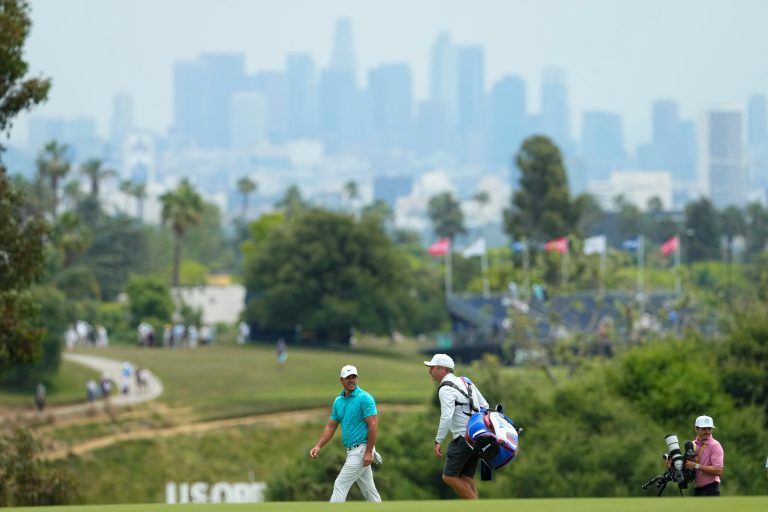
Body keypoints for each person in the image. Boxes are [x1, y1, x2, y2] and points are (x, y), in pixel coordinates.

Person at [309, 365, 382, 503]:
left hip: (361, 451)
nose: (351, 380)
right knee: (370, 492)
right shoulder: (338, 401)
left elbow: (372, 425)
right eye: (348, 378)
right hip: (353, 452)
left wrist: (368, 452)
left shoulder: (365, 398)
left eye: (354, 377)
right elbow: (331, 426)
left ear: (357, 378)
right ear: (341, 380)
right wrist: (318, 446)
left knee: (340, 485)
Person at [425, 353, 489, 500]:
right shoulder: (466, 382)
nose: (429, 371)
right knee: (466, 478)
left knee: (448, 477)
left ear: (442, 369)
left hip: (462, 438)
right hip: (476, 437)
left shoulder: (445, 389)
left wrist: (438, 440)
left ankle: (478, 509)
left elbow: (446, 416)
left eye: (432, 368)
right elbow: (484, 405)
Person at [684, 415, 724, 496]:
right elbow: (688, 466)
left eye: (709, 429)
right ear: (696, 429)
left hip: (711, 489)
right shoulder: (692, 445)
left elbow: (718, 470)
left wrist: (696, 466)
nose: (707, 432)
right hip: (697, 489)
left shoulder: (715, 445)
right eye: (704, 429)